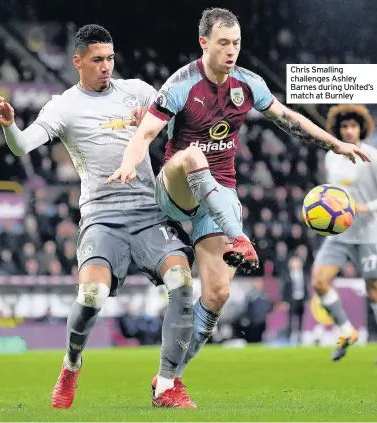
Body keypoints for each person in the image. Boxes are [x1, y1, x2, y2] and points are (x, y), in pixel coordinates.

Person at [107, 7, 371, 401]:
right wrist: (129, 163)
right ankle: (239, 238)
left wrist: (336, 143)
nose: (232, 51)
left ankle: (167, 382)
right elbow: (145, 133)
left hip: (220, 196)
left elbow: (290, 119)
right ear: (204, 43)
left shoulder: (248, 84)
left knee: (216, 296)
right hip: (177, 184)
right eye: (224, 43)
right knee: (195, 155)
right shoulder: (181, 83)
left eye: (237, 43)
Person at [0, 24, 197, 409]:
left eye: (111, 59)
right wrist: (9, 127)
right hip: (102, 219)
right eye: (98, 60)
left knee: (183, 283)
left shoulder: (137, 91)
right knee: (92, 295)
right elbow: (22, 146)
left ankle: (167, 384)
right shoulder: (63, 105)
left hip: (149, 214)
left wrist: (155, 124)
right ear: (78, 61)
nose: (107, 67)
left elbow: (180, 128)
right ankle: (71, 366)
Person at [311, 104, 377, 361]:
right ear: (338, 130)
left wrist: (365, 207)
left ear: (361, 128)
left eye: (353, 126)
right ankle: (347, 331)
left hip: (369, 233)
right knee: (319, 281)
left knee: (373, 290)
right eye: (345, 127)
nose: (349, 131)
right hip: (338, 233)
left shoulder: (371, 156)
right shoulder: (331, 156)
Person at [281, 256, 309, 344]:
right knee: (290, 320)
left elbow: (306, 288)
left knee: (301, 319)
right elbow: (285, 290)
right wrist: (285, 301)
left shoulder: (303, 275)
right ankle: (288, 338)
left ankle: (299, 338)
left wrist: (307, 299)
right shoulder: (288, 275)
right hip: (292, 300)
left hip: (301, 299)